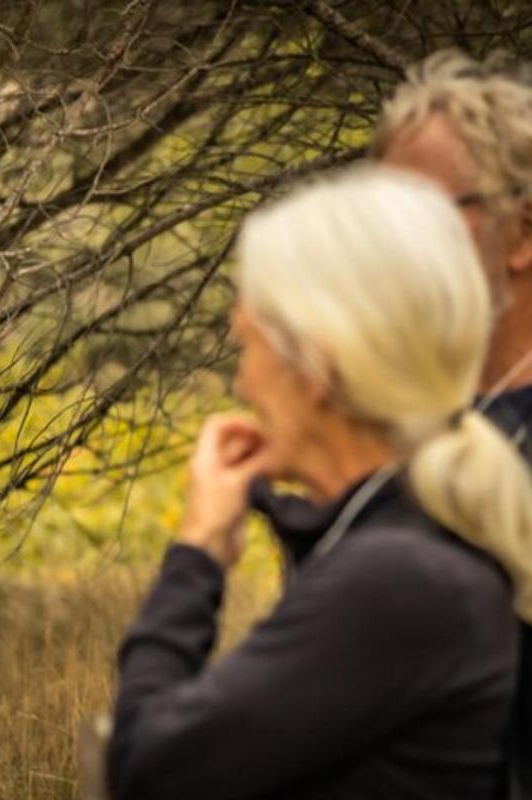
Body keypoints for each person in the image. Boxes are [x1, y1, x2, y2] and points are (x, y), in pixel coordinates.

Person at [106, 167, 532, 799]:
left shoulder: (398, 580)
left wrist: (197, 551)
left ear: (315, 366)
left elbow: (148, 769)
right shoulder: (410, 540)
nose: (243, 385)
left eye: (247, 348)